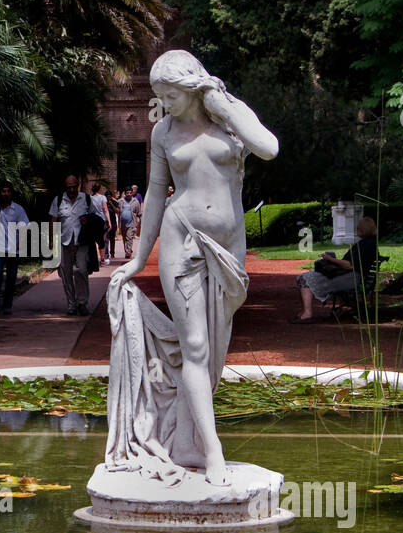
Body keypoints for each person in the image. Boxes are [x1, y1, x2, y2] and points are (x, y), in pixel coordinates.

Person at [108, 50, 278, 485]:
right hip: (180, 240)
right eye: (159, 96)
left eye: (171, 95)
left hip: (227, 249)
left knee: (215, 351)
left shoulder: (230, 115)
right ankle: (213, 451)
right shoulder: (163, 132)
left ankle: (186, 443)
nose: (164, 104)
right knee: (197, 348)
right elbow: (156, 191)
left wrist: (225, 109)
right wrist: (138, 260)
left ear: (192, 87)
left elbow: (268, 148)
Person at [292, 216, 379, 322]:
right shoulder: (367, 243)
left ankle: (307, 312)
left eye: (358, 228)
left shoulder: (366, 245)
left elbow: (349, 265)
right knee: (306, 276)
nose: (356, 230)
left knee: (304, 278)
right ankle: (306, 311)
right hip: (351, 276)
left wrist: (331, 259)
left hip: (351, 278)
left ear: (363, 229)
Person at [49, 175, 93, 316]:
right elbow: (53, 220)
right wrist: (51, 240)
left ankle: (82, 303)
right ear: (65, 187)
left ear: (78, 185)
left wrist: (89, 221)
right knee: (65, 274)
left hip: (81, 243)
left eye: (74, 186)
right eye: (69, 187)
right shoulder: (59, 200)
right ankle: (71, 304)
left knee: (81, 271)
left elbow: (97, 217)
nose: (72, 189)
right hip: (64, 242)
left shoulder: (86, 199)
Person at [0, 183, 30, 315]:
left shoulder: (18, 210)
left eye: (8, 191)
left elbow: (24, 228)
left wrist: (19, 244)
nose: (5, 194)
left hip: (12, 249)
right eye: (3, 191)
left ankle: (7, 305)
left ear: (12, 193)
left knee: (11, 278)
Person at [116, 188, 141, 260]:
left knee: (129, 238)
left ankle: (128, 252)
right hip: (123, 223)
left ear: (132, 193)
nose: (129, 194)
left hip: (131, 223)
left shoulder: (135, 201)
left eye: (130, 193)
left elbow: (138, 213)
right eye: (127, 193)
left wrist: (138, 222)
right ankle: (127, 250)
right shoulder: (120, 201)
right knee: (124, 238)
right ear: (125, 193)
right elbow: (118, 210)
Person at [90, 183, 109, 266]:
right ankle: (102, 259)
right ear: (99, 189)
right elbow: (105, 209)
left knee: (92, 240)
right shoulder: (102, 197)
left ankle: (93, 260)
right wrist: (109, 221)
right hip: (101, 220)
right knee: (102, 241)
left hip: (92, 220)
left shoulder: (89, 198)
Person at [104, 187, 119, 263]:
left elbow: (118, 211)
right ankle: (106, 254)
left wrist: (111, 204)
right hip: (106, 223)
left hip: (113, 223)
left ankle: (112, 253)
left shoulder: (114, 202)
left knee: (112, 239)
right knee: (106, 239)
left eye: (110, 196)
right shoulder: (103, 202)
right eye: (107, 196)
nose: (108, 197)